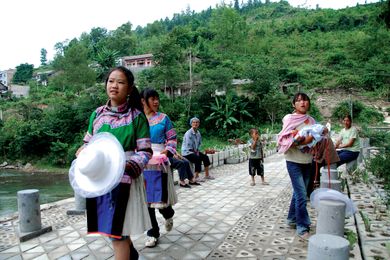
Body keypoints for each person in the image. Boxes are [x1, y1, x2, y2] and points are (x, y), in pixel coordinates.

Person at [76, 66, 152, 259]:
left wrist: (126, 166)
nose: (114, 86)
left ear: (129, 87)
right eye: (111, 81)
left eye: (120, 82)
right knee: (114, 231)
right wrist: (82, 153)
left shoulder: (136, 117)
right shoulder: (97, 114)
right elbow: (87, 143)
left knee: (117, 233)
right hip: (100, 180)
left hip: (124, 180)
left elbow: (145, 152)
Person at [140, 88, 186, 248]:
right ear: (143, 101)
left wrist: (167, 151)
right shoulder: (137, 120)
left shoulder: (163, 119)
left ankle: (169, 214)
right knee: (146, 201)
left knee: (161, 200)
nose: (156, 102)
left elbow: (172, 138)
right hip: (142, 164)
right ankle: (153, 233)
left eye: (157, 98)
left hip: (160, 162)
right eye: (152, 99)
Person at [277, 92, 316, 241]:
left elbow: (314, 138)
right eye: (299, 101)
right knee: (301, 195)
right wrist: (304, 139)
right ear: (294, 104)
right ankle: (302, 226)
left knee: (299, 192)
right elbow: (286, 138)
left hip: (307, 161)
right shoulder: (289, 118)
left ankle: (291, 219)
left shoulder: (311, 120)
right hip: (293, 161)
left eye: (305, 100)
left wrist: (303, 138)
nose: (303, 103)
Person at [181, 117, 214, 181]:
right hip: (187, 152)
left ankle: (207, 175)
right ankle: (196, 176)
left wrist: (200, 151)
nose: (195, 124)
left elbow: (199, 144)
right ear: (191, 124)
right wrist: (197, 153)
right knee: (197, 158)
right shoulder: (188, 133)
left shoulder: (198, 133)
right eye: (194, 122)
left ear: (199, 124)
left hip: (195, 151)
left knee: (205, 157)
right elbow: (188, 147)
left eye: (197, 122)